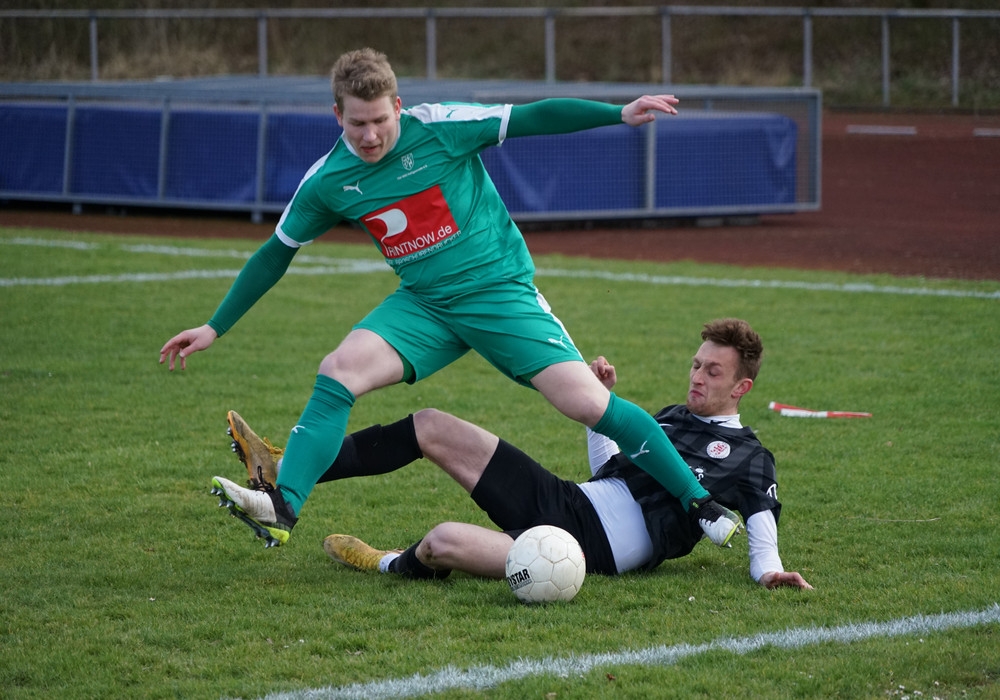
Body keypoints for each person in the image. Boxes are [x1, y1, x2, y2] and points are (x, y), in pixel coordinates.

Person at [163, 47, 740, 550]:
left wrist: (618, 113)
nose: (370, 136)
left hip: (498, 295)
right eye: (357, 123)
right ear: (337, 114)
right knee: (338, 370)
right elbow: (275, 252)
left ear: (399, 105)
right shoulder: (328, 179)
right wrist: (215, 326)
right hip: (425, 305)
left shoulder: (440, 126)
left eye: (381, 121)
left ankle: (697, 501)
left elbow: (533, 117)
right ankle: (282, 504)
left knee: (586, 405)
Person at [217, 319, 812, 589]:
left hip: (586, 552)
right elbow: (605, 469)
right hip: (569, 501)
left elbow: (760, 531)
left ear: (742, 387)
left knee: (441, 542)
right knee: (430, 423)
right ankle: (284, 467)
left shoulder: (751, 458)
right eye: (695, 364)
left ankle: (386, 563)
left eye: (713, 371)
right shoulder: (670, 420)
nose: (697, 377)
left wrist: (769, 571)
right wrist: (603, 403)